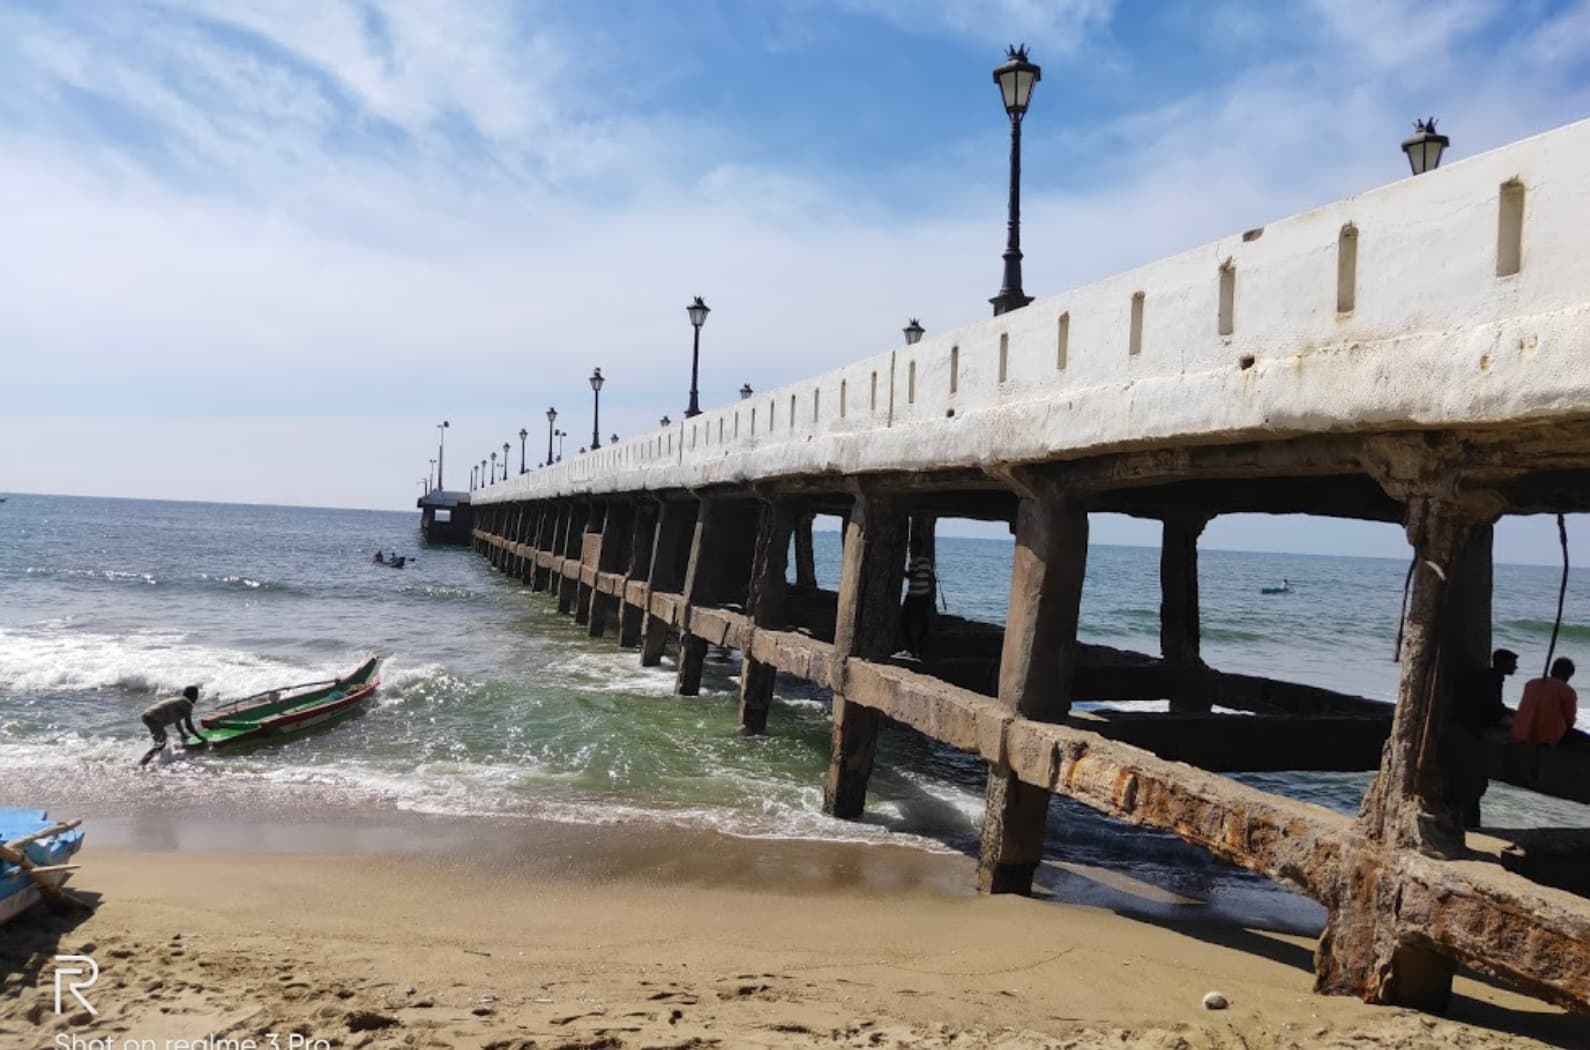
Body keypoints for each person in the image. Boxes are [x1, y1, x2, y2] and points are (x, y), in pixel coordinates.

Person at [1444, 648, 1519, 828]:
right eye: (1512, 664)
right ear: (1502, 664)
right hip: (1478, 724)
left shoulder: (1489, 676)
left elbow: (1492, 704)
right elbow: (1494, 707)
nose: (1515, 667)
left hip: (1471, 720)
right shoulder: (1494, 680)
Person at [1512, 657, 1578, 746]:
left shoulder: (1531, 683)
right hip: (1546, 737)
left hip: (1520, 731)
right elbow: (1570, 720)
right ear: (1568, 675)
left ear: (1552, 671)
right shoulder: (1568, 691)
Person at [138, 685, 206, 766]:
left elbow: (177, 720)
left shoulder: (180, 700)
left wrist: (183, 734)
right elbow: (189, 725)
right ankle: (142, 763)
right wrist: (200, 737)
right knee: (161, 743)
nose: (196, 698)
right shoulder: (187, 703)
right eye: (196, 695)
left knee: (160, 743)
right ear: (193, 695)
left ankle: (157, 762)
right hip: (153, 718)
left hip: (148, 716)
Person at [899, 539, 936, 657]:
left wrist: (901, 571)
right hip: (924, 596)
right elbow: (931, 577)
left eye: (910, 548)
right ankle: (921, 649)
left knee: (904, 621)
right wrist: (928, 591)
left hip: (913, 596)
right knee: (923, 622)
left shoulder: (914, 562)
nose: (910, 550)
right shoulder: (927, 561)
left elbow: (912, 575)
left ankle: (909, 649)